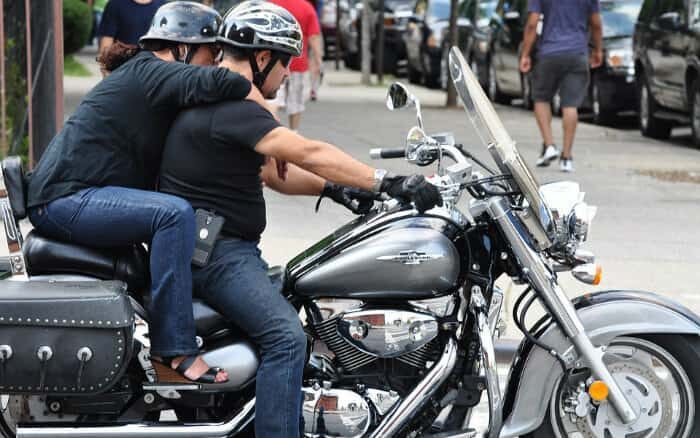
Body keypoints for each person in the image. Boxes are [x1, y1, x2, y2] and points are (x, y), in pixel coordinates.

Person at [157, 2, 442, 435]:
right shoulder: (234, 105)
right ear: (262, 57)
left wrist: (336, 189)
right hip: (218, 253)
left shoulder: (224, 99)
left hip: (214, 245)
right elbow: (308, 152)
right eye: (286, 61)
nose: (290, 72)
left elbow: (273, 174)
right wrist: (386, 182)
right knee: (287, 339)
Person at [27, 2, 269, 385]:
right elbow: (229, 84)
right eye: (212, 53)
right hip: (63, 199)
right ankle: (173, 350)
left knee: (178, 211)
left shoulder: (151, 79)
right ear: (182, 48)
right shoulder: (154, 71)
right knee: (172, 214)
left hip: (77, 195)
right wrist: (246, 76)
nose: (215, 61)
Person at [519, 0, 602, 172]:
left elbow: (532, 23)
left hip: (549, 53)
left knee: (541, 99)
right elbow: (596, 24)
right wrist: (598, 50)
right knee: (570, 105)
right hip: (577, 53)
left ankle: (549, 145)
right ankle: (566, 157)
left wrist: (525, 53)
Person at [269, 0, 323, 130]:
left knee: (273, 101)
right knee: (296, 102)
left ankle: (271, 132)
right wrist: (318, 60)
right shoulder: (306, 7)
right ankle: (294, 133)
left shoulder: (271, 4)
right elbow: (314, 37)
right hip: (297, 62)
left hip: (273, 62)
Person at [97, 0, 165, 68]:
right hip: (122, 69)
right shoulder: (115, 4)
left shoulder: (163, 6)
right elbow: (106, 42)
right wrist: (106, 71)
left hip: (153, 70)